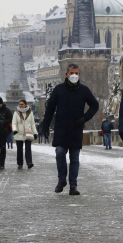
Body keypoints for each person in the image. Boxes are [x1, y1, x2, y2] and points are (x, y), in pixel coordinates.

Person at [39, 63, 99, 196]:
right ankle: (62, 180)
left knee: (74, 158)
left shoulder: (84, 90)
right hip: (61, 127)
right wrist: (46, 126)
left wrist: (85, 118)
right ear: (66, 74)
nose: (74, 75)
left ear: (79, 75)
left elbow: (95, 105)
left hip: (76, 128)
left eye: (76, 73)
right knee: (60, 153)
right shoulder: (59, 89)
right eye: (72, 73)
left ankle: (73, 185)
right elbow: (50, 109)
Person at [12, 99, 38, 169]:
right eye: (20, 104)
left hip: (28, 133)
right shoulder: (16, 113)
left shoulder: (30, 112)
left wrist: (35, 133)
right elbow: (14, 123)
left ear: (25, 105)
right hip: (19, 132)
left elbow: (32, 124)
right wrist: (14, 130)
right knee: (19, 149)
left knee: (28, 148)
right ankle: (20, 163)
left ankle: (29, 162)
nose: (20, 105)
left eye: (22, 104)